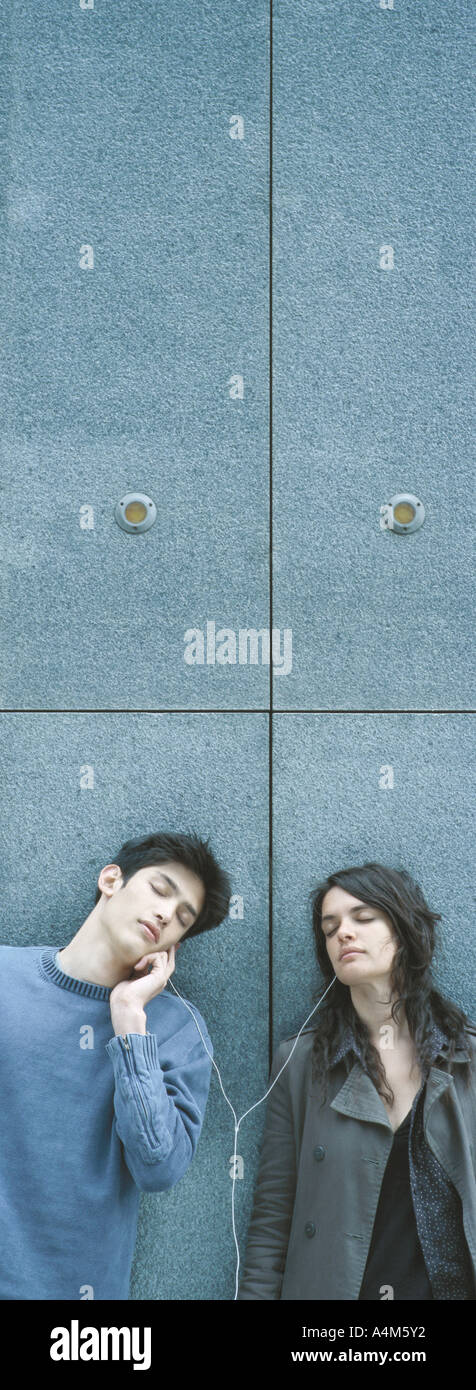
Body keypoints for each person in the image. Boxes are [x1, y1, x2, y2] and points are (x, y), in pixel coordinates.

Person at [0, 831, 231, 1301]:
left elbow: (157, 1167)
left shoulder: (175, 1028)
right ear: (111, 879)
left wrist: (129, 1020)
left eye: (183, 918)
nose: (167, 913)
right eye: (160, 890)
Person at [238, 862, 476, 1301]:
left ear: (404, 930)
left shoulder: (465, 1058)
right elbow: (273, 1219)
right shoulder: (301, 1063)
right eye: (330, 929)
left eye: (363, 918)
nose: (344, 933)